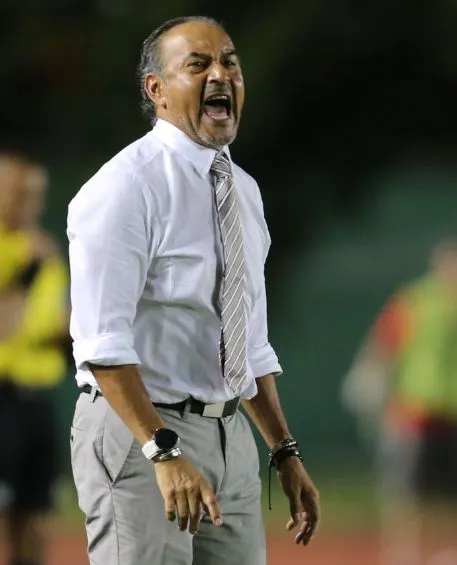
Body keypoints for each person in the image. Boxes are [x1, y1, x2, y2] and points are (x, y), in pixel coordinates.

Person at [67, 16, 319, 565]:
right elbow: (102, 346)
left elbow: (248, 343)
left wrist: (283, 450)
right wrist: (162, 450)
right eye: (198, 65)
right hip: (143, 431)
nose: (220, 75)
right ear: (156, 89)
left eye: (230, 63)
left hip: (229, 434)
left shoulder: (242, 190)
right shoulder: (125, 187)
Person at [342, 237, 457, 565]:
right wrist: (373, 385)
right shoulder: (416, 301)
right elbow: (383, 346)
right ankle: (405, 554)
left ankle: (451, 553)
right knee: (407, 492)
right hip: (415, 412)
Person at [0, 154, 68, 565]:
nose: (29, 204)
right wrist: (26, 272)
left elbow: (56, 319)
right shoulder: (27, 255)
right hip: (2, 397)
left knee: (38, 515)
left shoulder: (45, 250)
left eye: (35, 195)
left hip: (39, 397)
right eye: (18, 194)